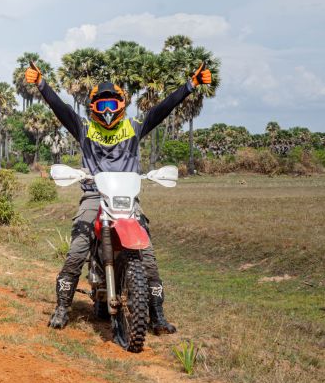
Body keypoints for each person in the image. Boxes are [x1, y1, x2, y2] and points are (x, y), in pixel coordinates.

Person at [24, 60, 213, 333]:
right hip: (94, 196)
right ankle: (63, 307)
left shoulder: (135, 125)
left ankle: (157, 313)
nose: (108, 110)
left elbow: (162, 109)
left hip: (127, 200)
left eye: (112, 104)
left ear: (122, 104)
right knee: (77, 250)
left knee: (147, 256)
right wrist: (41, 84)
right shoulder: (84, 128)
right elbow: (61, 109)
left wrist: (190, 85)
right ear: (93, 108)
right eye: (102, 105)